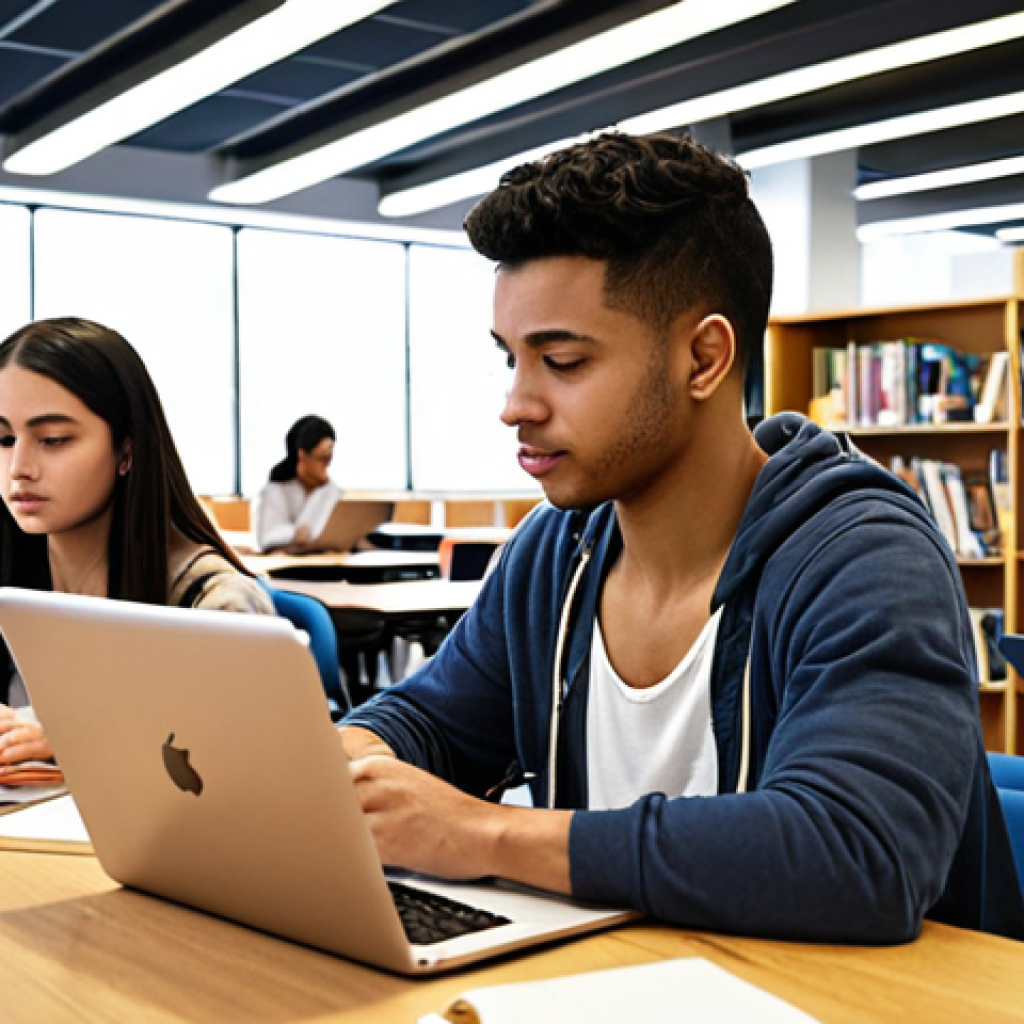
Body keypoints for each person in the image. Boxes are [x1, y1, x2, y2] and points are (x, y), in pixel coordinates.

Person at [340, 132, 1024, 943]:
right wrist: (346, 759)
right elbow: (432, 725)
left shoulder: (864, 557)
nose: (516, 404)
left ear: (704, 358)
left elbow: (858, 854)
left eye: (561, 361)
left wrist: (485, 834)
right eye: (511, 359)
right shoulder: (555, 553)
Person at [0, 317, 273, 768]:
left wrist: (83, 740)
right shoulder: (15, 581)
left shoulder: (215, 605)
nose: (18, 468)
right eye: (5, 439)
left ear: (126, 451)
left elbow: (257, 776)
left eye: (52, 440)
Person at [255, 415, 342, 552]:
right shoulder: (276, 489)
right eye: (322, 458)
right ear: (302, 455)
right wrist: (294, 533)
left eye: (329, 459)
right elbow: (267, 536)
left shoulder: (333, 491)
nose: (326, 464)